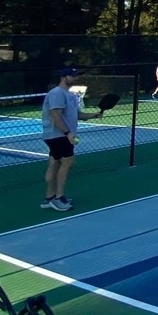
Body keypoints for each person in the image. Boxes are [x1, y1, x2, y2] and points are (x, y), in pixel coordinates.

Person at [40, 67, 104, 211]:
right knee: (67, 162)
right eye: (72, 76)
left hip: (61, 135)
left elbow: (77, 115)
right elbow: (55, 116)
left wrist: (94, 115)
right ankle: (59, 198)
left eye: (76, 76)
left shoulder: (71, 95)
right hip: (58, 135)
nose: (75, 78)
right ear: (63, 77)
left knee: (54, 163)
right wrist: (67, 133)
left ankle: (49, 198)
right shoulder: (57, 93)